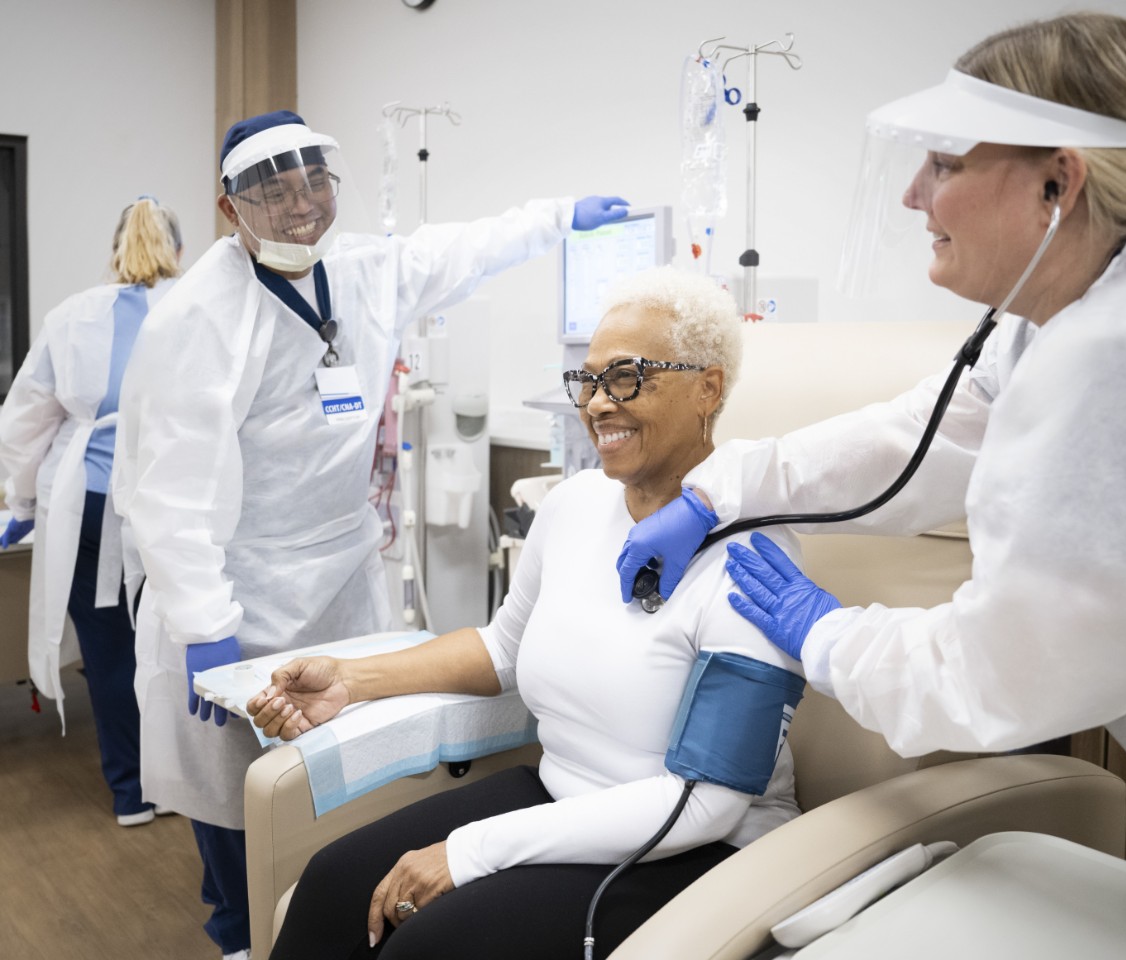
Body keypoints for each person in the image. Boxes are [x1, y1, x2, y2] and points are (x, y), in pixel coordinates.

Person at [613, 14, 1126, 960]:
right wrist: (720, 492)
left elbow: (999, 678)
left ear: (1058, 181)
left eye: (944, 164)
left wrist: (824, 630)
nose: (912, 194)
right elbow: (923, 437)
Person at [111, 109, 630, 960]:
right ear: (230, 207)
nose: (301, 206)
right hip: (233, 588)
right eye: (275, 193)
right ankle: (241, 937)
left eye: (313, 183)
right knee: (238, 795)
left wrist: (558, 216)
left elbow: (463, 249)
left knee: (347, 772)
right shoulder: (197, 318)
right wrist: (204, 625)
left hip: (343, 573)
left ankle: (324, 914)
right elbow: (171, 494)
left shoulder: (364, 269)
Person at [246, 266, 803, 959]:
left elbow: (706, 802)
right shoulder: (574, 506)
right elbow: (502, 648)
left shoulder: (753, 559)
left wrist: (472, 850)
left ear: (707, 389)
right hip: (561, 797)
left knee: (428, 948)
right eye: (588, 381)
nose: (597, 403)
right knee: (332, 882)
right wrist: (351, 680)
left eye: (626, 378)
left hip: (700, 848)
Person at [0, 197, 183, 826]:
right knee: (171, 646)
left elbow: (24, 422)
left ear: (114, 252)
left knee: (108, 652)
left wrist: (23, 501)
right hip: (170, 505)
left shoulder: (73, 315)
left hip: (89, 501)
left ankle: (133, 793)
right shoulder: (195, 308)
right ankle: (179, 786)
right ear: (179, 251)